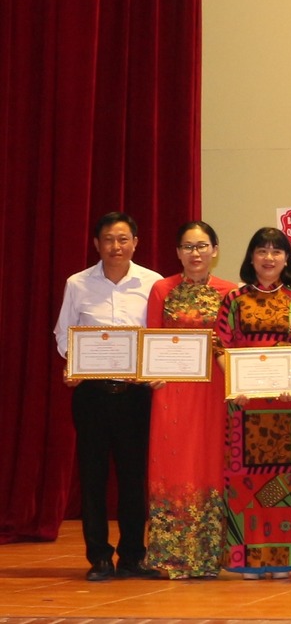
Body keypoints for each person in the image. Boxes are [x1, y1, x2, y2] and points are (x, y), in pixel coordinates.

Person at [53, 212, 164, 581]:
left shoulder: (153, 283)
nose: (116, 246)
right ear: (96, 244)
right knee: (93, 477)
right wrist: (73, 362)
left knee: (134, 478)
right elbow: (63, 334)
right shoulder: (77, 283)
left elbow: (159, 334)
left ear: (135, 242)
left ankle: (133, 556)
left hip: (135, 396)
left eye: (123, 239)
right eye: (108, 239)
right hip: (92, 395)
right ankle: (99, 557)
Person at [214, 227, 291, 577]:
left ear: (287, 259)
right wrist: (235, 381)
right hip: (244, 407)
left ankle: (286, 557)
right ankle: (246, 558)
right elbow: (220, 347)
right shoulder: (234, 300)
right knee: (244, 484)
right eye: (262, 250)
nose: (269, 258)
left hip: (285, 408)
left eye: (276, 251)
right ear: (251, 257)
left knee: (287, 482)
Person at [142, 222, 235, 579]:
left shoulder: (230, 292)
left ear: (215, 249)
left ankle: (208, 556)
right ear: (178, 252)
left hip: (214, 389)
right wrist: (151, 374)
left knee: (209, 464)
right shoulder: (162, 289)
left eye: (202, 246)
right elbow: (151, 337)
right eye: (188, 246)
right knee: (172, 463)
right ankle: (170, 555)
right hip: (171, 390)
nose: (195, 253)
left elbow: (232, 345)